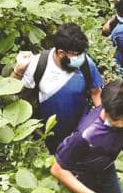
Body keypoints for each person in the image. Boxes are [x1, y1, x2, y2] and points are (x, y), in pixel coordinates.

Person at [50, 80, 123, 193]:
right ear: (109, 112)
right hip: (83, 176)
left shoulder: (122, 107)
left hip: (106, 167)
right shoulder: (85, 136)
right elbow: (57, 169)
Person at [10, 23, 104, 153]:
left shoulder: (86, 63)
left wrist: (101, 121)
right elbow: (10, 92)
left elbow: (96, 92)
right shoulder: (39, 64)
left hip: (79, 131)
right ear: (61, 53)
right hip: (49, 132)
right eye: (76, 55)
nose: (80, 58)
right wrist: (18, 71)